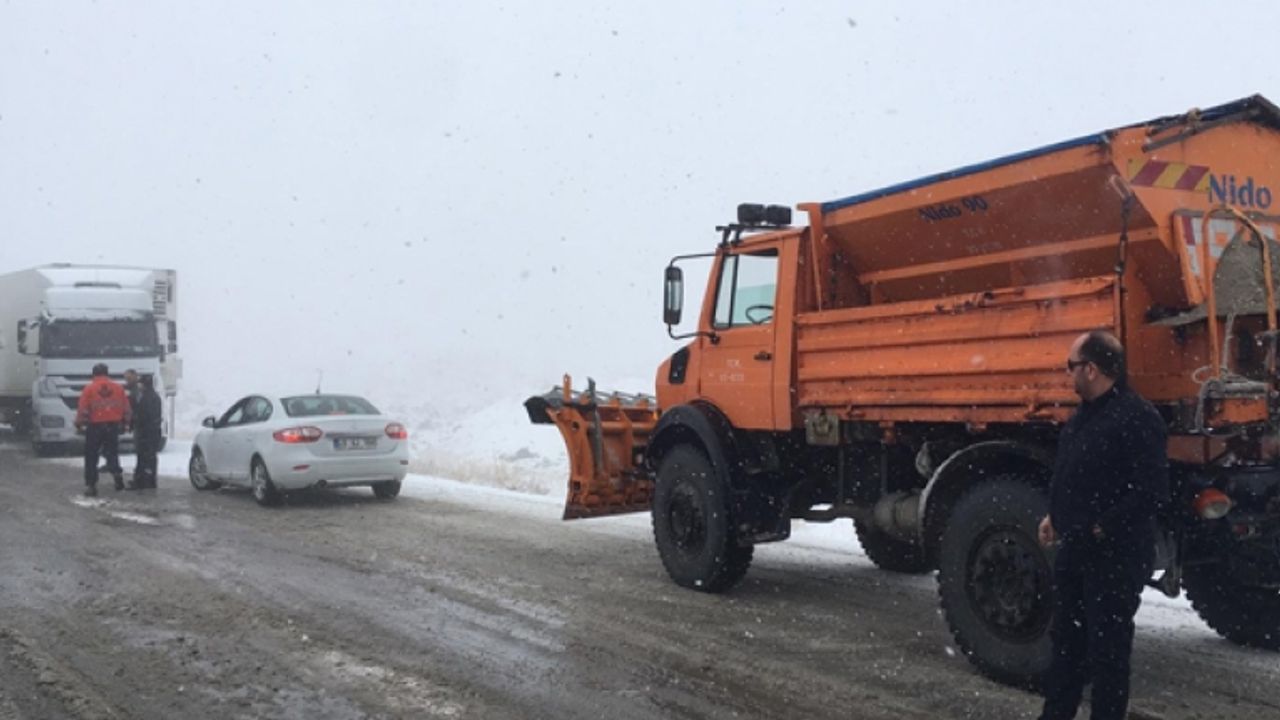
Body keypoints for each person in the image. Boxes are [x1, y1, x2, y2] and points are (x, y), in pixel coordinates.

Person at [1037, 330, 1168, 720]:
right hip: (1076, 550)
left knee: (1107, 651)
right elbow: (1070, 473)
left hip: (1115, 556)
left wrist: (1101, 528)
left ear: (1091, 369)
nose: (1068, 374)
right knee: (1066, 643)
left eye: (1071, 366)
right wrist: (1055, 516)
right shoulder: (1083, 416)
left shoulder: (1137, 417)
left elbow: (1151, 491)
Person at [75, 363, 132, 497]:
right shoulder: (118, 388)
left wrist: (79, 423)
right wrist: (126, 423)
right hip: (112, 426)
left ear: (93, 374)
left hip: (95, 426)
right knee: (112, 453)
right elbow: (126, 408)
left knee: (91, 456)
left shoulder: (89, 389)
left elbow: (83, 408)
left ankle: (91, 485)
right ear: (107, 373)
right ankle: (117, 477)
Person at [129, 374, 163, 489]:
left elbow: (142, 415)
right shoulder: (155, 397)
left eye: (140, 383)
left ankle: (140, 480)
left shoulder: (145, 398)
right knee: (151, 456)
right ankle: (151, 479)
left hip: (145, 432)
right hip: (154, 431)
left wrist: (135, 422)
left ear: (144, 384)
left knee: (142, 456)